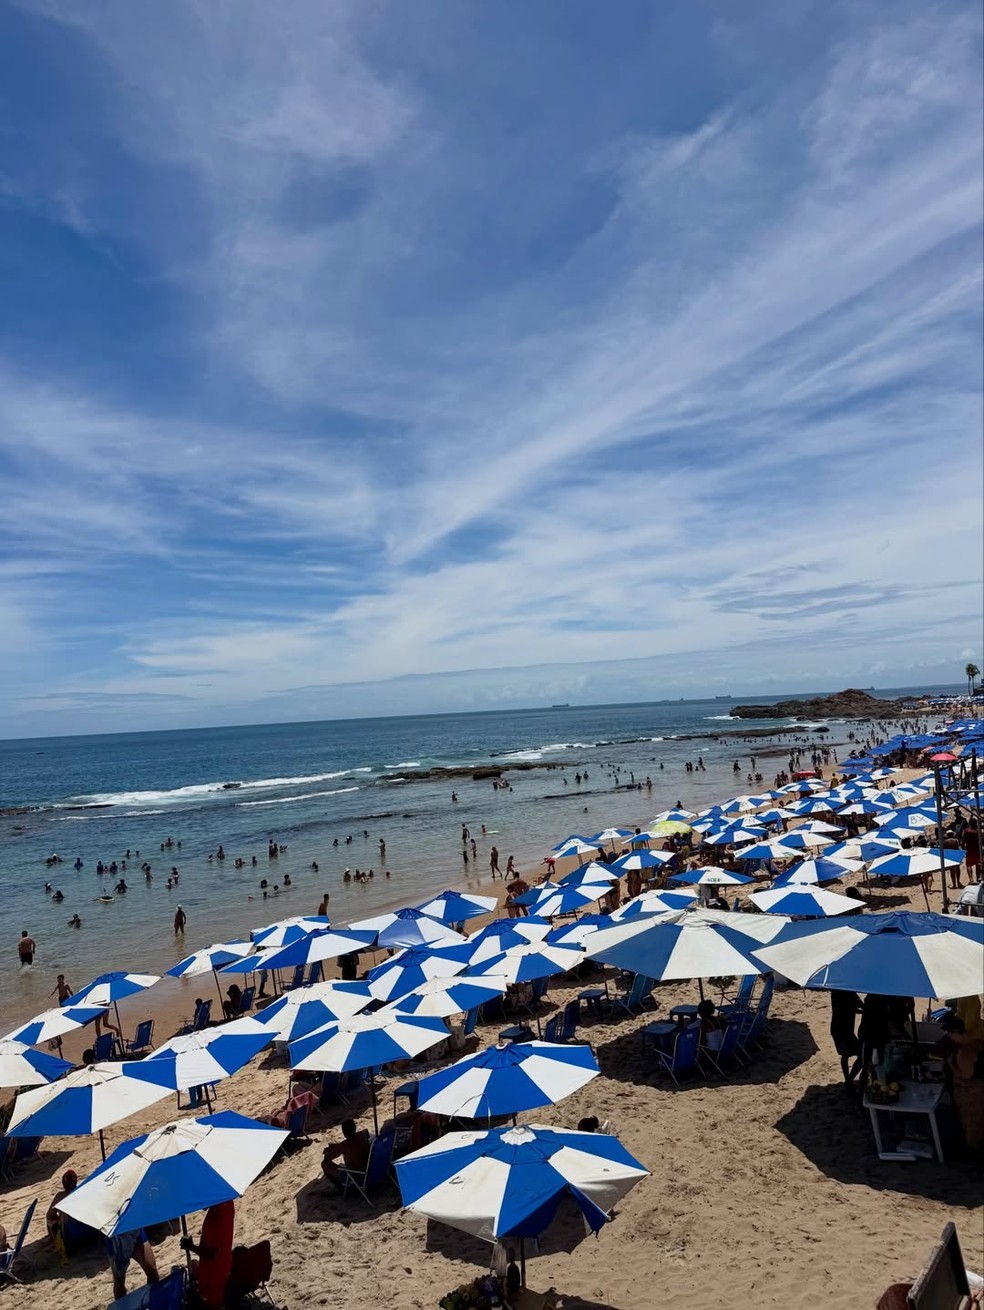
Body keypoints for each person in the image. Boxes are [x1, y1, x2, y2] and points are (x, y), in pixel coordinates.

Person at [181, 1199, 235, 1308]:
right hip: (224, 1262)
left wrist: (191, 1247)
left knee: (211, 1304)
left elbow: (212, 1255)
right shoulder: (227, 1202)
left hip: (213, 1272)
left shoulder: (215, 1220)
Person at [107, 1227, 159, 1300]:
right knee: (119, 1281)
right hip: (116, 1236)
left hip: (135, 1230)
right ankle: (122, 1306)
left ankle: (155, 1301)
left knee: (151, 1268)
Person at [322, 1119, 370, 1187]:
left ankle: (341, 1187)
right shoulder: (362, 1136)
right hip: (369, 1170)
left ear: (344, 1132)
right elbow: (355, 1140)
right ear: (355, 1128)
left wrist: (327, 1152)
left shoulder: (344, 1145)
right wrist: (337, 1145)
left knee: (324, 1164)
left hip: (356, 1176)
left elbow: (328, 1158)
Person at [829, 989, 863, 1085]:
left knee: (845, 1055)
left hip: (838, 1029)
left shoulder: (836, 992)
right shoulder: (849, 993)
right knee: (861, 1056)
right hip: (844, 1030)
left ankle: (848, 1079)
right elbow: (860, 1006)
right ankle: (849, 1080)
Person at [46, 1169, 78, 1245]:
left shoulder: (60, 1196)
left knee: (49, 1220)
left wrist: (58, 1218)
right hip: (86, 1229)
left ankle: (53, 1240)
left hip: (68, 1234)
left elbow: (49, 1215)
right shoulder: (82, 1190)